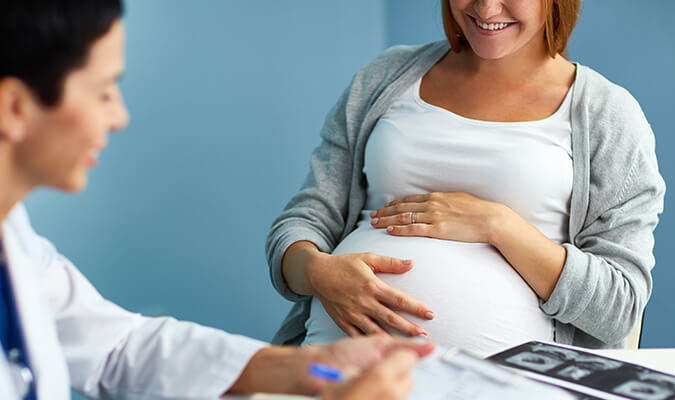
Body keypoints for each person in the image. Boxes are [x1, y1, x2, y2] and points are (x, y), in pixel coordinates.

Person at [0, 1, 434, 399]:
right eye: (103, 91)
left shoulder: (16, 243)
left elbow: (116, 348)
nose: (119, 116)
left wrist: (310, 368)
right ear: (14, 107)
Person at [266, 0, 665, 355]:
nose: (487, 9)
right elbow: (305, 219)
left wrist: (498, 225)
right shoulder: (385, 77)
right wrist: (317, 272)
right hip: (330, 379)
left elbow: (619, 307)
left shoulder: (609, 115)